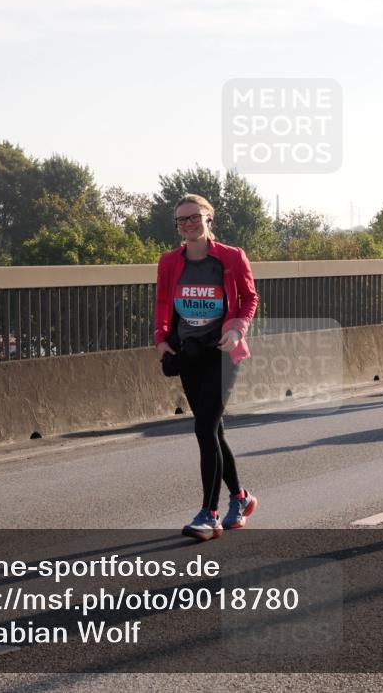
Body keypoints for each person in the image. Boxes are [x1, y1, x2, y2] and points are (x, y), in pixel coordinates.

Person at [154, 195, 259, 539]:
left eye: (194, 217)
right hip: (189, 352)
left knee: (204, 429)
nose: (188, 224)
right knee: (214, 430)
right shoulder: (169, 261)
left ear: (209, 218)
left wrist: (236, 328)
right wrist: (161, 339)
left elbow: (249, 299)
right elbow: (162, 301)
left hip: (223, 353)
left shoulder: (231, 257)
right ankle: (240, 498)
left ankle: (208, 513)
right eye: (181, 220)